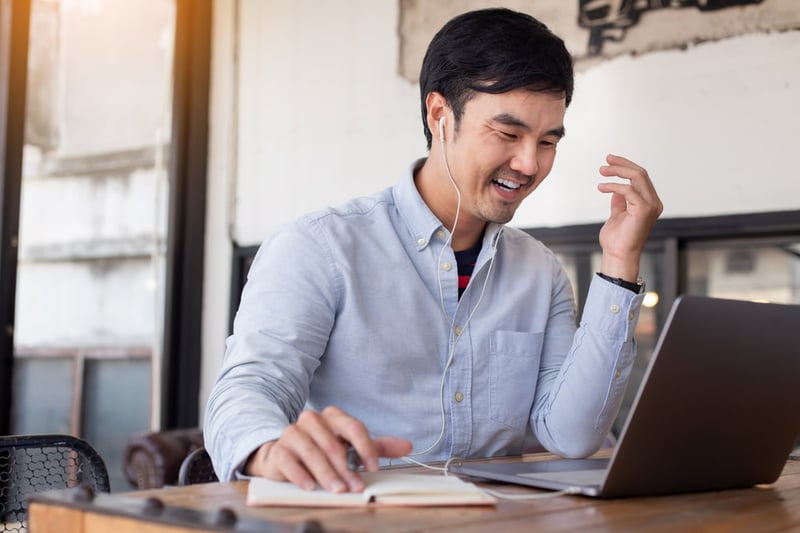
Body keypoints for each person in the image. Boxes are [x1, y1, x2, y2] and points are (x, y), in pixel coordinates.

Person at [204, 7, 663, 494]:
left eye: (547, 141)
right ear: (440, 115)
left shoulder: (540, 272)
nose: (529, 163)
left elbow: (572, 434)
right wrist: (266, 447)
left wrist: (619, 263)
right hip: (366, 519)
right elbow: (250, 388)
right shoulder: (320, 248)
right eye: (508, 134)